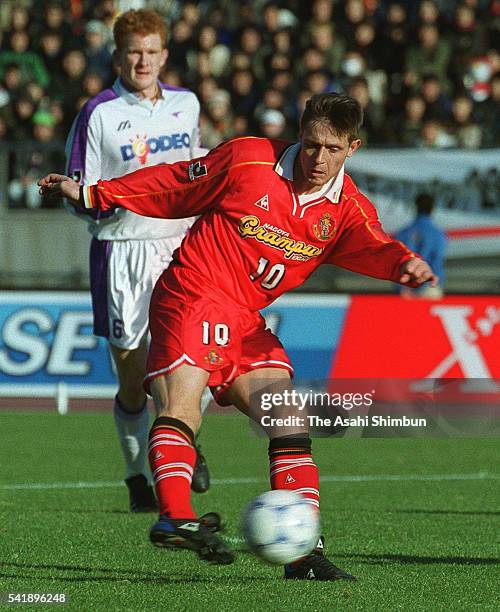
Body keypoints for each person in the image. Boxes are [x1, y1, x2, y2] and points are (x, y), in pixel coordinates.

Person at [39, 92, 437, 578]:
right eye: (311, 144)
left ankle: (303, 552)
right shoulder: (250, 158)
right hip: (193, 293)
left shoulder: (346, 210)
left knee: (287, 417)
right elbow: (175, 184)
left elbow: (375, 245)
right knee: (182, 405)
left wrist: (405, 264)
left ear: (352, 147)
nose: (318, 158)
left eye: (332, 149)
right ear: (300, 132)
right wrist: (97, 193)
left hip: (245, 320)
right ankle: (175, 518)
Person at [64, 9, 210, 514]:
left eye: (152, 51)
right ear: (117, 56)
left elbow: (195, 166)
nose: (143, 60)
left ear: (165, 55)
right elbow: (77, 189)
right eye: (133, 52)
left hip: (180, 247)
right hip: (122, 250)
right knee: (135, 379)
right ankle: (135, 478)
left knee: (192, 360)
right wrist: (104, 196)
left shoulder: (186, 105)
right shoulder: (99, 114)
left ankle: (185, 446)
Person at [395, 192, 446, 298]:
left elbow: (397, 261)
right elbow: (437, 261)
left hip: (406, 287)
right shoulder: (438, 234)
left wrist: (401, 287)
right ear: (432, 209)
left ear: (416, 207)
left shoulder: (403, 232)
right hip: (430, 287)